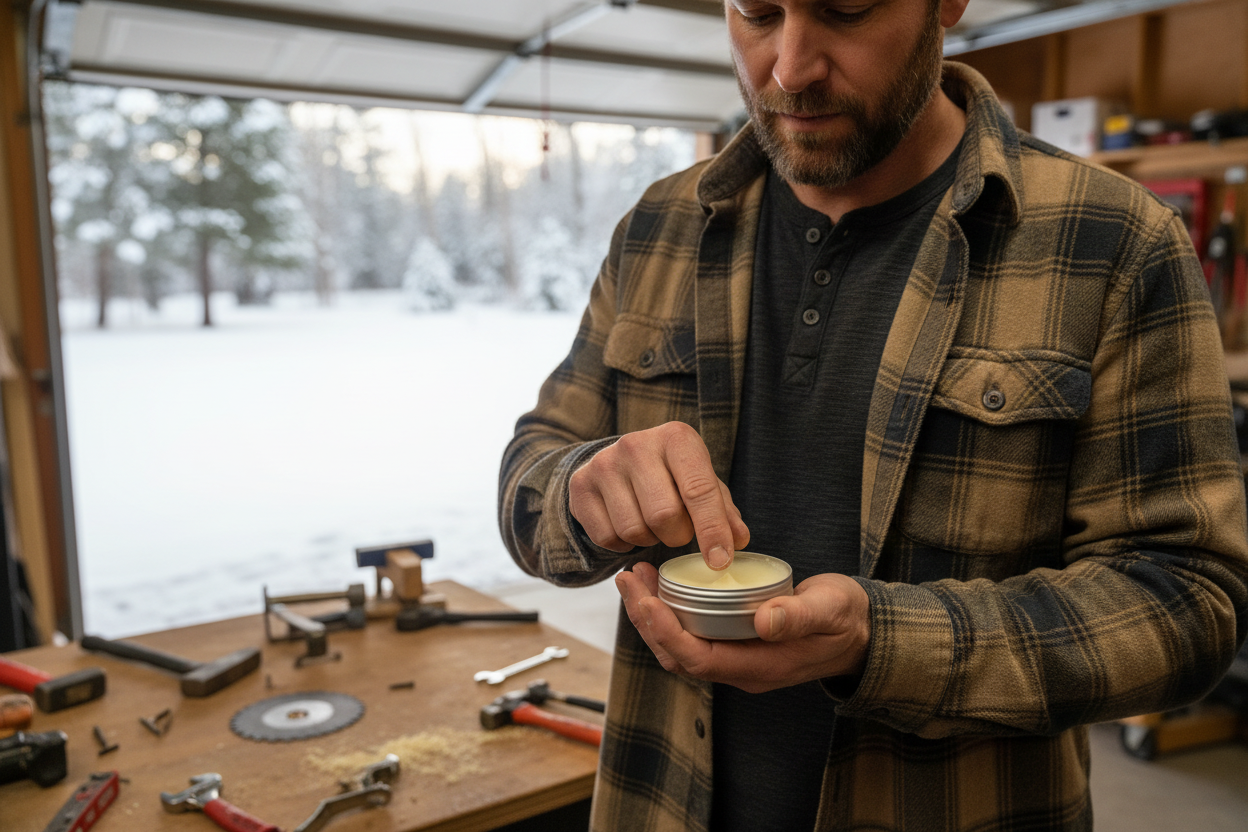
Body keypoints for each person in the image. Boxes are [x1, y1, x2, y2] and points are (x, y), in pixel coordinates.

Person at [498, 0, 1248, 829]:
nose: (790, 66)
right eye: (756, 12)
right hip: (660, 801)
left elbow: (1190, 602)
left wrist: (886, 644)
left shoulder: (1114, 242)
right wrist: (578, 489)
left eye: (846, 9)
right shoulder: (657, 229)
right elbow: (533, 469)